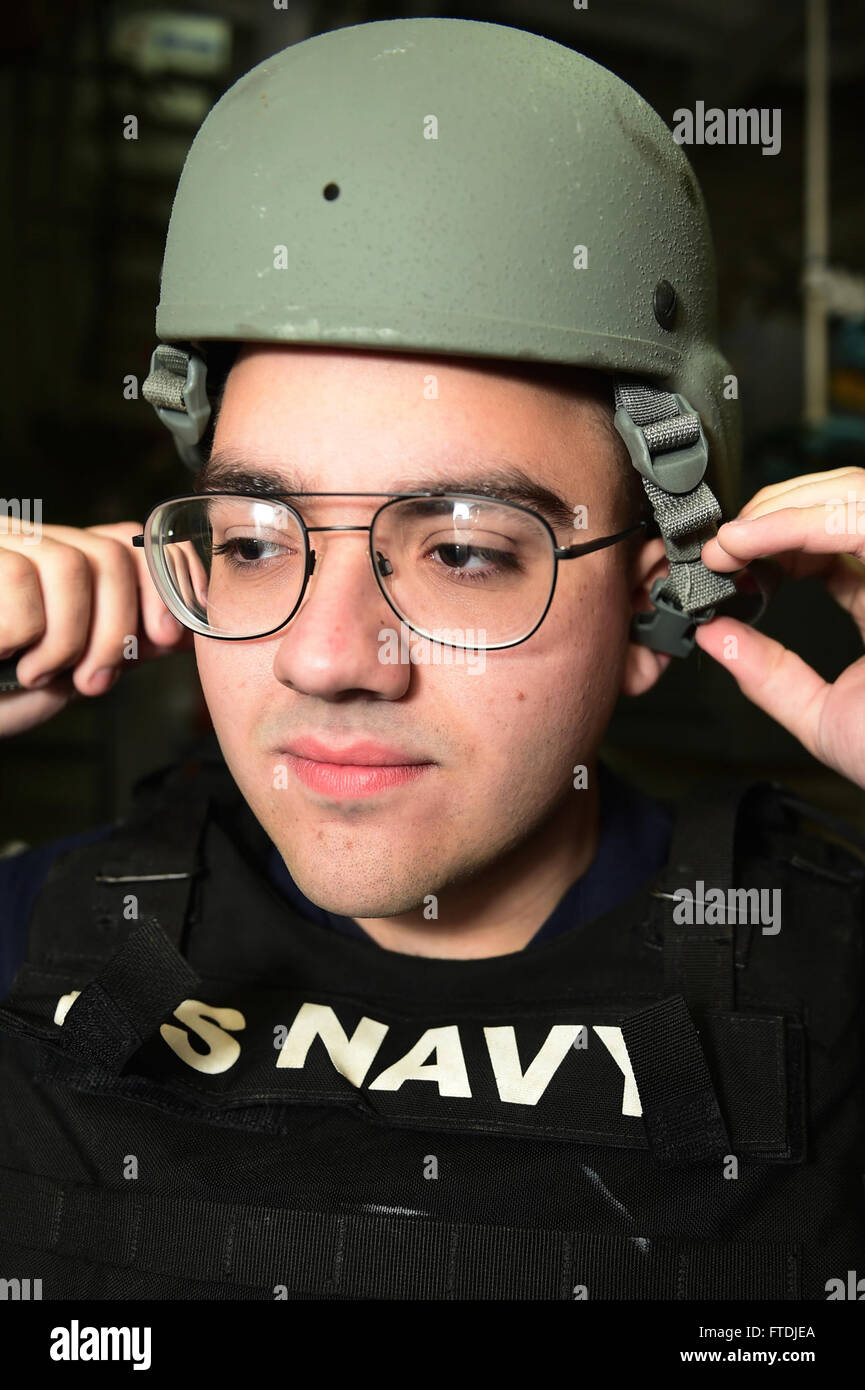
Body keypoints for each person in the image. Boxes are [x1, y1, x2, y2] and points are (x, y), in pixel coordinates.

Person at [0, 16, 863, 1302]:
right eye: (251, 540)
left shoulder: (833, 991)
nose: (328, 655)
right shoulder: (31, 938)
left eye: (463, 551)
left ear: (654, 606)